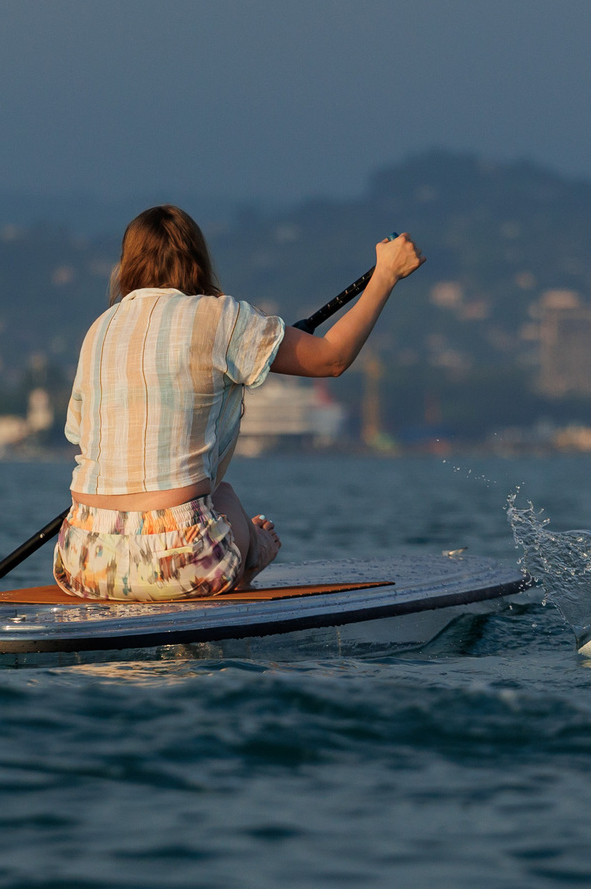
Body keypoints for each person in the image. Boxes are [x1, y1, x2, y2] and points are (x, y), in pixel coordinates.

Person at [55, 205, 423, 601]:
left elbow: (79, 432)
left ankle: (238, 544)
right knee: (223, 496)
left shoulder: (100, 329)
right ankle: (253, 550)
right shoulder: (220, 317)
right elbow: (331, 358)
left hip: (81, 559)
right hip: (183, 561)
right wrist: (385, 275)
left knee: (209, 500)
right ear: (198, 261)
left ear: (125, 266)